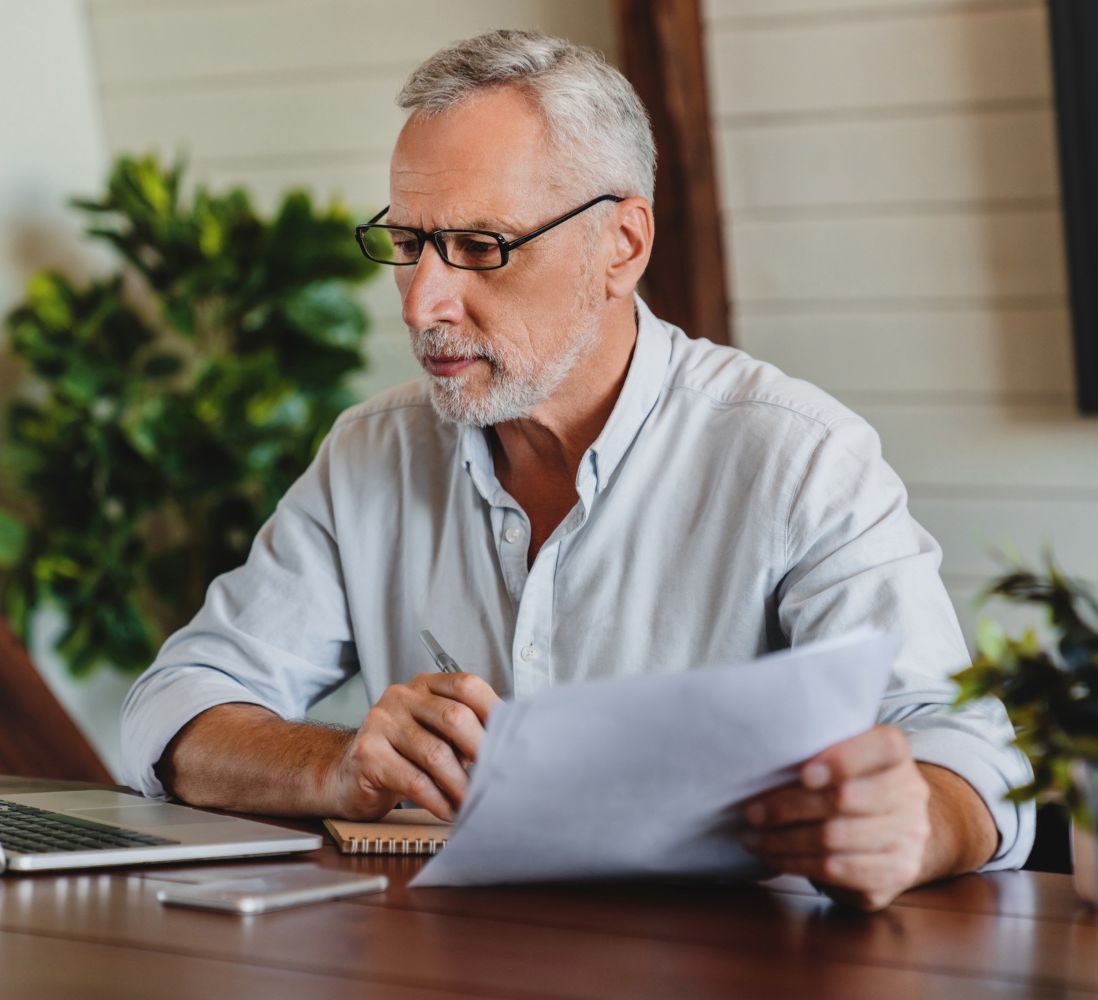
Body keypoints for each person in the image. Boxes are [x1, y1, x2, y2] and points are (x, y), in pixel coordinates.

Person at [121, 29, 1033, 910]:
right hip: (448, 963)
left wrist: (913, 824)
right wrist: (340, 762)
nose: (425, 301)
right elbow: (174, 707)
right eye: (407, 244)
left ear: (621, 247)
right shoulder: (372, 453)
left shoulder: (797, 455)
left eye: (481, 247)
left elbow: (968, 752)